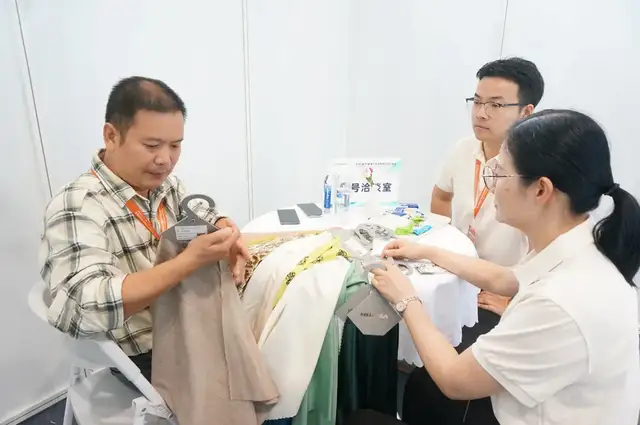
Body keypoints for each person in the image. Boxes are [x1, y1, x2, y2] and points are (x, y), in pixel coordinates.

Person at [349, 109, 640, 424]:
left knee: (362, 419)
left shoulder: (559, 304)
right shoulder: (582, 240)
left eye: (499, 174)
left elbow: (454, 379)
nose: (491, 186)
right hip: (541, 399)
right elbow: (508, 279)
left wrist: (406, 299)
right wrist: (427, 251)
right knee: (423, 386)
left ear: (541, 190)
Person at [39, 76, 249, 386]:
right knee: (270, 363)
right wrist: (188, 261)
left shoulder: (165, 186)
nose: (165, 160)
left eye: (175, 146)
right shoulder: (78, 206)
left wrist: (221, 226)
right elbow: (81, 309)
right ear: (111, 136)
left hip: (190, 323)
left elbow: (197, 214)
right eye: (151, 146)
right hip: (149, 353)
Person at [431, 57, 545, 333]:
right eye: (477, 101)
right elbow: (441, 197)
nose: (481, 113)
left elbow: (550, 249)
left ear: (526, 112)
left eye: (495, 105)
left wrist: (515, 298)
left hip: (500, 292)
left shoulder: (537, 170)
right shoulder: (463, 149)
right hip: (457, 277)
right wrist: (443, 248)